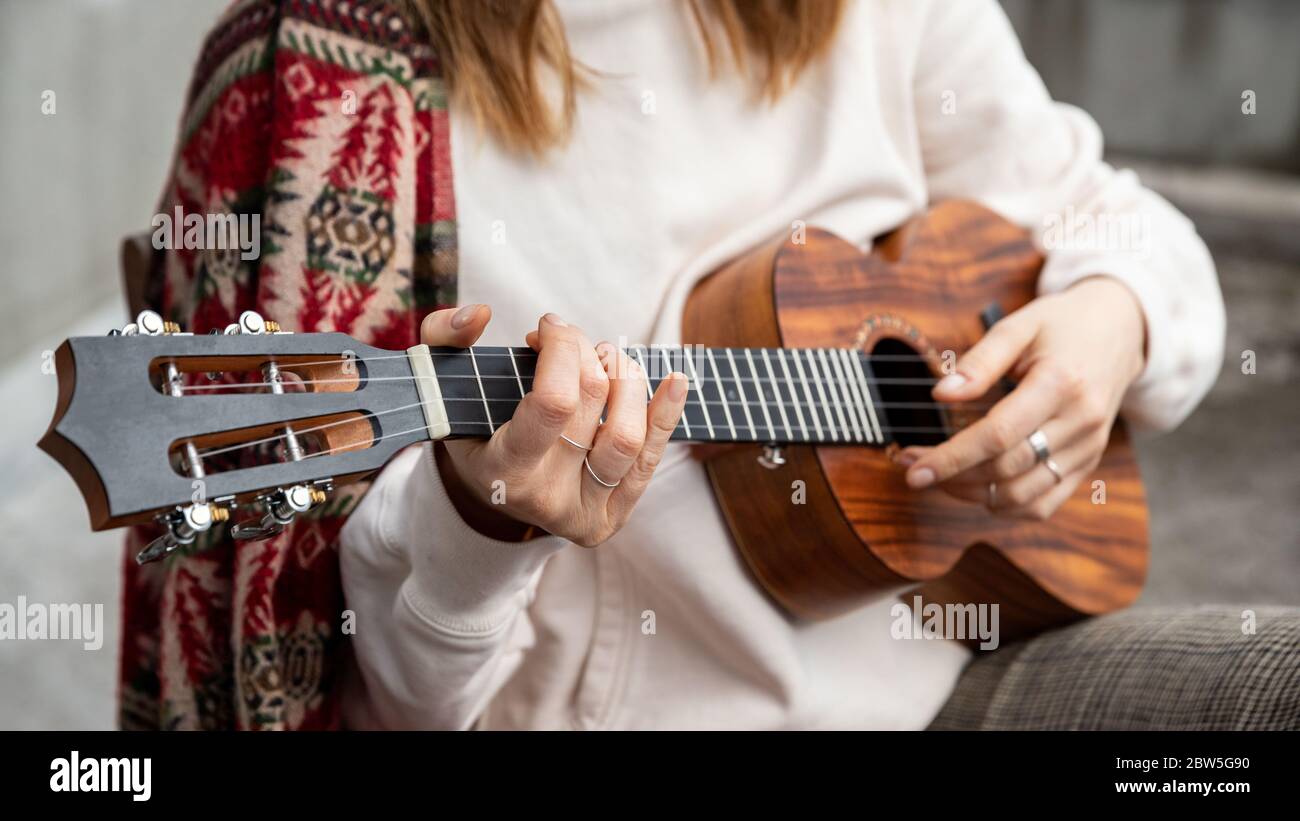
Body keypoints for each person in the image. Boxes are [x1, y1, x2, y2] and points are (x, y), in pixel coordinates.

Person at [122, 0, 1226, 730]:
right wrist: (480, 526)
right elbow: (356, 695)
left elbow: (1103, 212)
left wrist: (1110, 314)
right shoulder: (337, 75)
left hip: (950, 679)